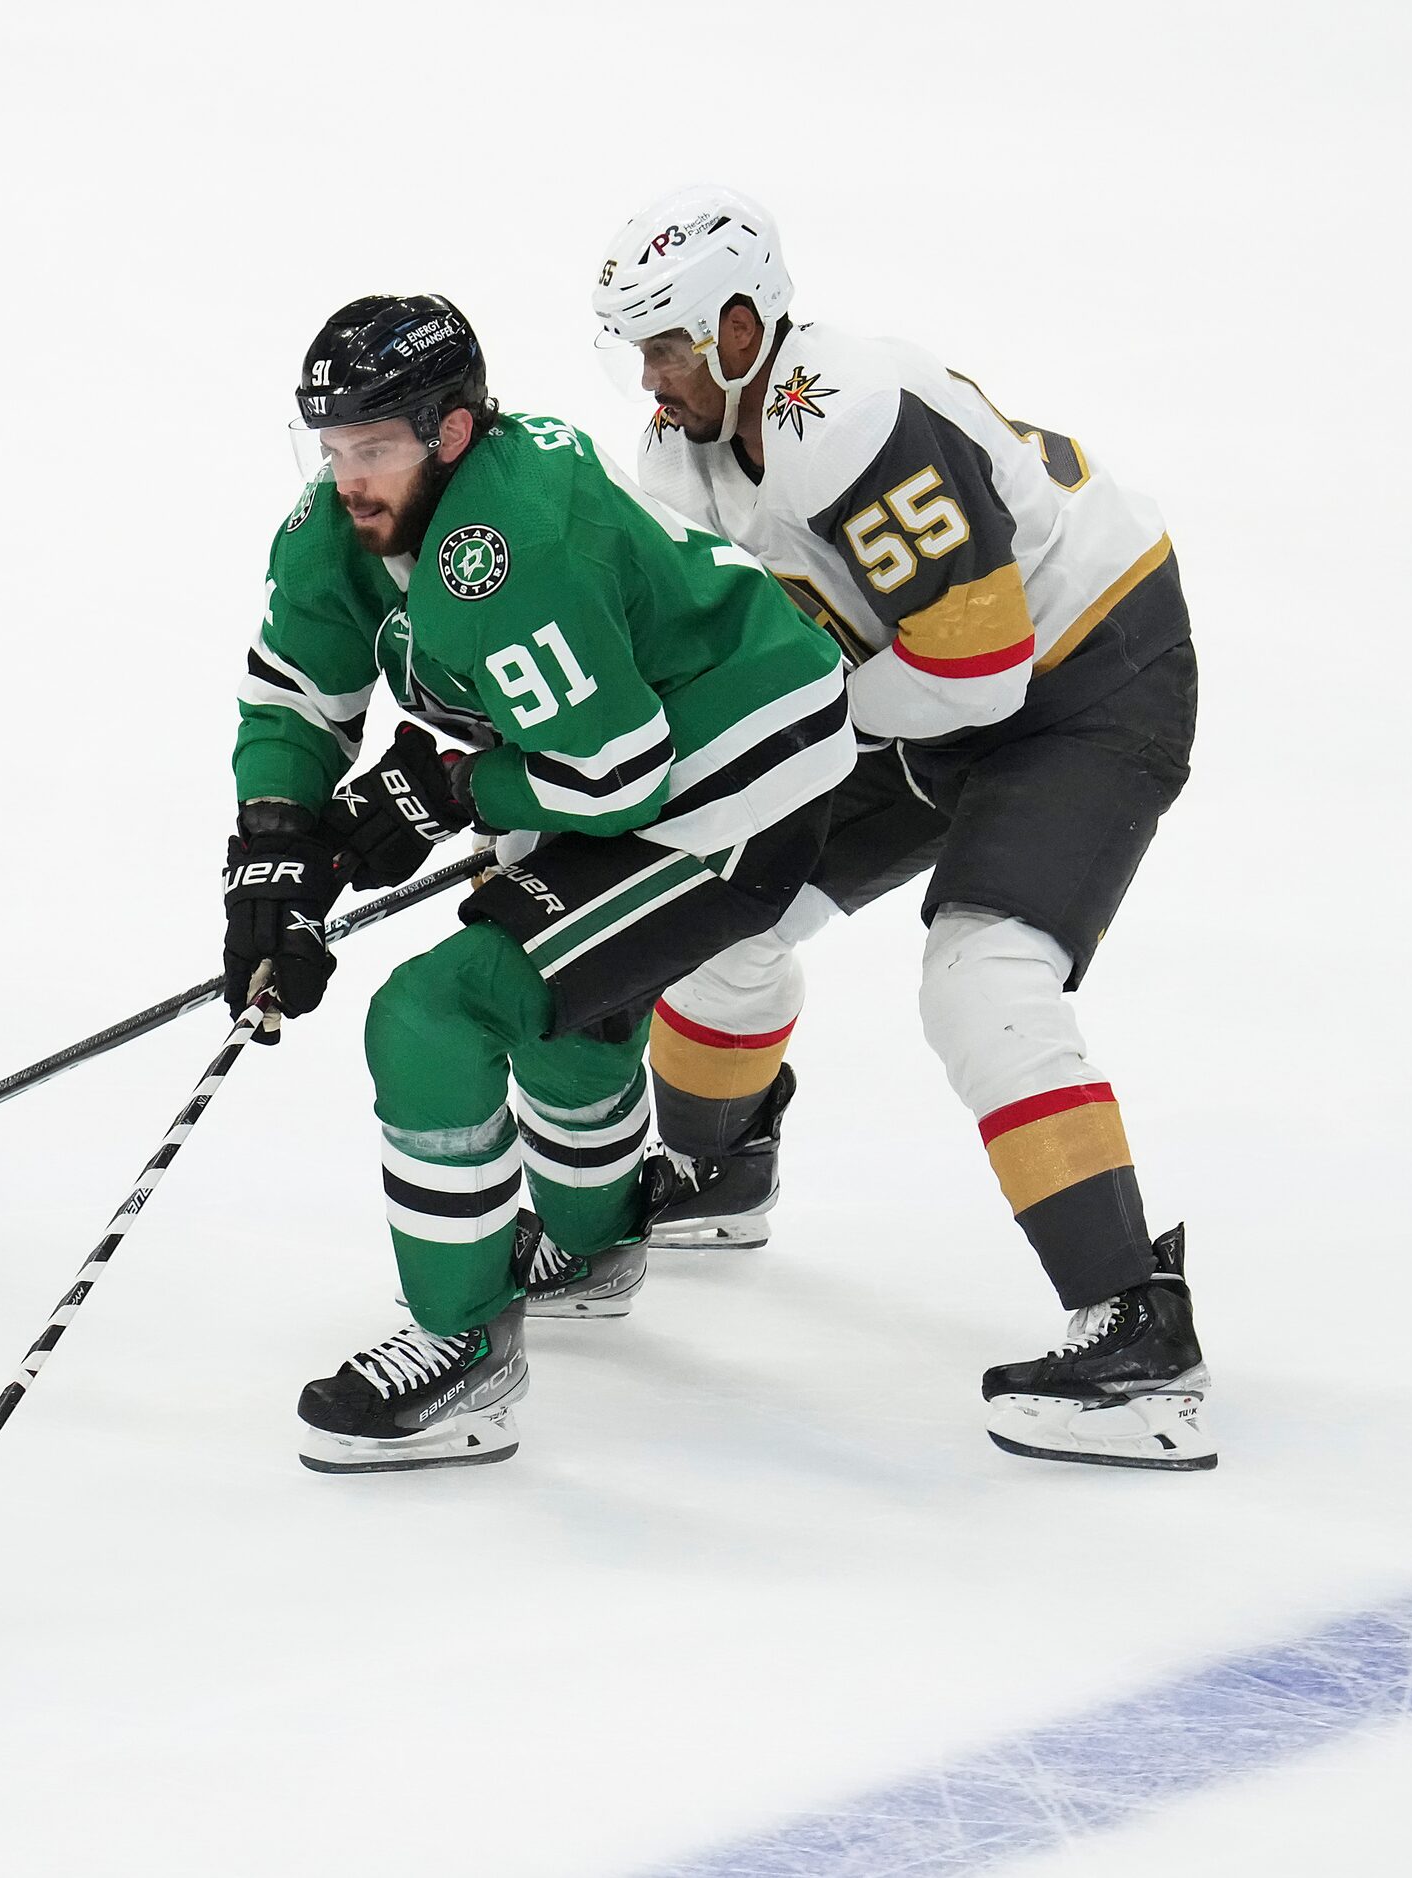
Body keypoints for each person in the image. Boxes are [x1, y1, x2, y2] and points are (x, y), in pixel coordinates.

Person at [586, 185, 1212, 1469]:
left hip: (1087, 678)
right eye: (636, 351)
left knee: (982, 973)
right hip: (930, 691)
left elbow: (977, 670)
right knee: (715, 908)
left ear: (742, 328)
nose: (648, 381)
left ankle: (1139, 1333)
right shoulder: (683, 456)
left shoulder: (849, 417)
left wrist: (773, 738)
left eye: (666, 346)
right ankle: (717, 1172)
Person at [228, 294, 853, 1474]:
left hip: (729, 787)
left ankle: (466, 1351)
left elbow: (610, 778)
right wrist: (270, 845)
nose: (346, 477)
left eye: (376, 447)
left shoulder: (505, 552)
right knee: (556, 990)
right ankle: (598, 1240)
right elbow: (295, 691)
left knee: (440, 1007)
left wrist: (444, 791)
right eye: (334, 447)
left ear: (453, 432)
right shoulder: (346, 520)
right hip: (620, 753)